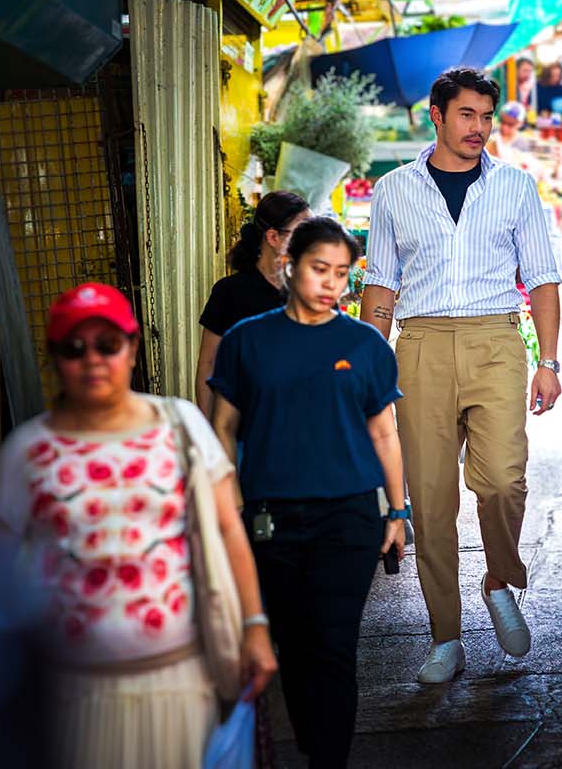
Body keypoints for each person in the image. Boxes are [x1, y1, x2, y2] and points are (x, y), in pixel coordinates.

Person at [0, 283, 278, 769]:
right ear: (55, 358)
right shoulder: (26, 450)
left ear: (132, 348)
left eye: (108, 345)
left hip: (181, 683)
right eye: (74, 348)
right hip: (69, 696)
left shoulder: (181, 426)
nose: (93, 360)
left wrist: (254, 626)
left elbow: (230, 530)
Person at [361, 66, 562, 684]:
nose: (478, 128)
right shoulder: (393, 190)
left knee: (504, 480)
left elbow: (544, 278)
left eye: (486, 116)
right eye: (467, 115)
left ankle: (500, 579)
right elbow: (380, 286)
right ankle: (445, 636)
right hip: (418, 345)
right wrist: (371, 365)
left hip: (497, 340)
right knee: (432, 500)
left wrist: (549, 362)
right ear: (438, 116)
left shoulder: (516, 187)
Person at [207, 220, 409, 769]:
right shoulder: (249, 339)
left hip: (347, 517)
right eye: (320, 269)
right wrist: (230, 497)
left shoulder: (364, 344)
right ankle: (313, 746)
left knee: (335, 647)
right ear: (289, 263)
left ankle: (329, 761)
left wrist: (397, 511)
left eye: (342, 274)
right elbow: (222, 424)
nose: (331, 284)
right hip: (270, 518)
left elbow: (383, 432)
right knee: (293, 651)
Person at [196, 191, 311, 416]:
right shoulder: (230, 292)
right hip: (242, 427)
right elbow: (209, 364)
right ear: (273, 237)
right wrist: (210, 433)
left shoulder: (313, 293)